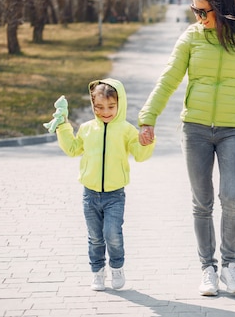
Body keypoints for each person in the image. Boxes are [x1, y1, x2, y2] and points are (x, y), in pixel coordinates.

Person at [138, 0, 235, 296]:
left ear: (220, 8)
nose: (199, 18)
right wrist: (148, 118)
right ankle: (208, 269)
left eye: (204, 12)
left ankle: (230, 265)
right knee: (201, 203)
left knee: (231, 198)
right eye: (195, 11)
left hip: (233, 129)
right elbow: (168, 79)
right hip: (196, 129)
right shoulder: (191, 38)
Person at [44, 78, 155, 291]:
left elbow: (140, 155)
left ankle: (117, 267)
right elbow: (73, 149)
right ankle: (97, 272)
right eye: (99, 107)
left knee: (112, 233)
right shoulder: (87, 129)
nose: (105, 111)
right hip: (90, 194)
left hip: (115, 194)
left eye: (111, 107)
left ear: (119, 104)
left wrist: (147, 141)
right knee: (95, 237)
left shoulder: (126, 129)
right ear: (93, 105)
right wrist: (63, 126)